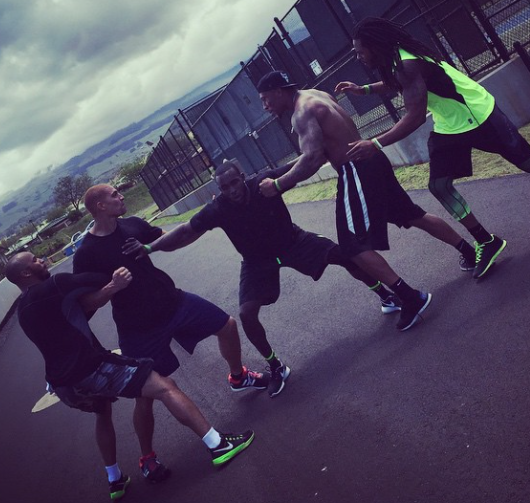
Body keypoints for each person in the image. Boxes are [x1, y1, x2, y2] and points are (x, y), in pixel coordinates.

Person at [122, 158, 402, 398]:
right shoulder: (218, 209)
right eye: (224, 187)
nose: (231, 190)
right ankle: (275, 365)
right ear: (219, 190)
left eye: (235, 183)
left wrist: (326, 152)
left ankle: (386, 295)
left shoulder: (263, 183)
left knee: (344, 256)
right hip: (257, 263)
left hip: (294, 242)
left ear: (243, 177)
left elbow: (299, 166)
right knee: (246, 314)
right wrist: (150, 248)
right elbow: (185, 230)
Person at [5, 252, 254, 500]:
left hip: (64, 385)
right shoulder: (55, 285)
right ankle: (218, 445)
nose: (42, 260)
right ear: (25, 273)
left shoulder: (23, 311)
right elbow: (95, 278)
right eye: (35, 260)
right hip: (91, 367)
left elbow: (76, 314)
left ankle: (115, 479)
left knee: (102, 412)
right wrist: (115, 281)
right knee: (165, 386)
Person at [72, 184, 266, 483]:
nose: (121, 196)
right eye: (114, 195)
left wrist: (208, 219)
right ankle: (147, 458)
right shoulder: (86, 253)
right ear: (100, 206)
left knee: (227, 325)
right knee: (146, 395)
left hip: (173, 303)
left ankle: (238, 377)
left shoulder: (133, 225)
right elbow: (85, 304)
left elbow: (170, 239)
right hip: (138, 328)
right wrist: (112, 287)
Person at [256, 71, 477, 332]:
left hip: (355, 169)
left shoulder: (301, 113)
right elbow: (320, 150)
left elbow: (313, 158)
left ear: (279, 91)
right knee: (412, 215)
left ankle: (410, 298)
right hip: (372, 160)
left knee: (353, 247)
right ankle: (469, 251)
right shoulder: (315, 95)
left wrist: (278, 185)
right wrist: (281, 173)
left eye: (266, 99)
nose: (265, 106)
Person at [335, 17, 530, 279]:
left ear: (375, 46)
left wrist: (376, 143)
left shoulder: (406, 63)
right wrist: (365, 90)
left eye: (360, 51)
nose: (359, 57)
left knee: (525, 161)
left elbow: (415, 117)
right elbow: (398, 82)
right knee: (439, 186)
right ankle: (486, 241)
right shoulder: (395, 60)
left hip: (477, 113)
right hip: (450, 125)